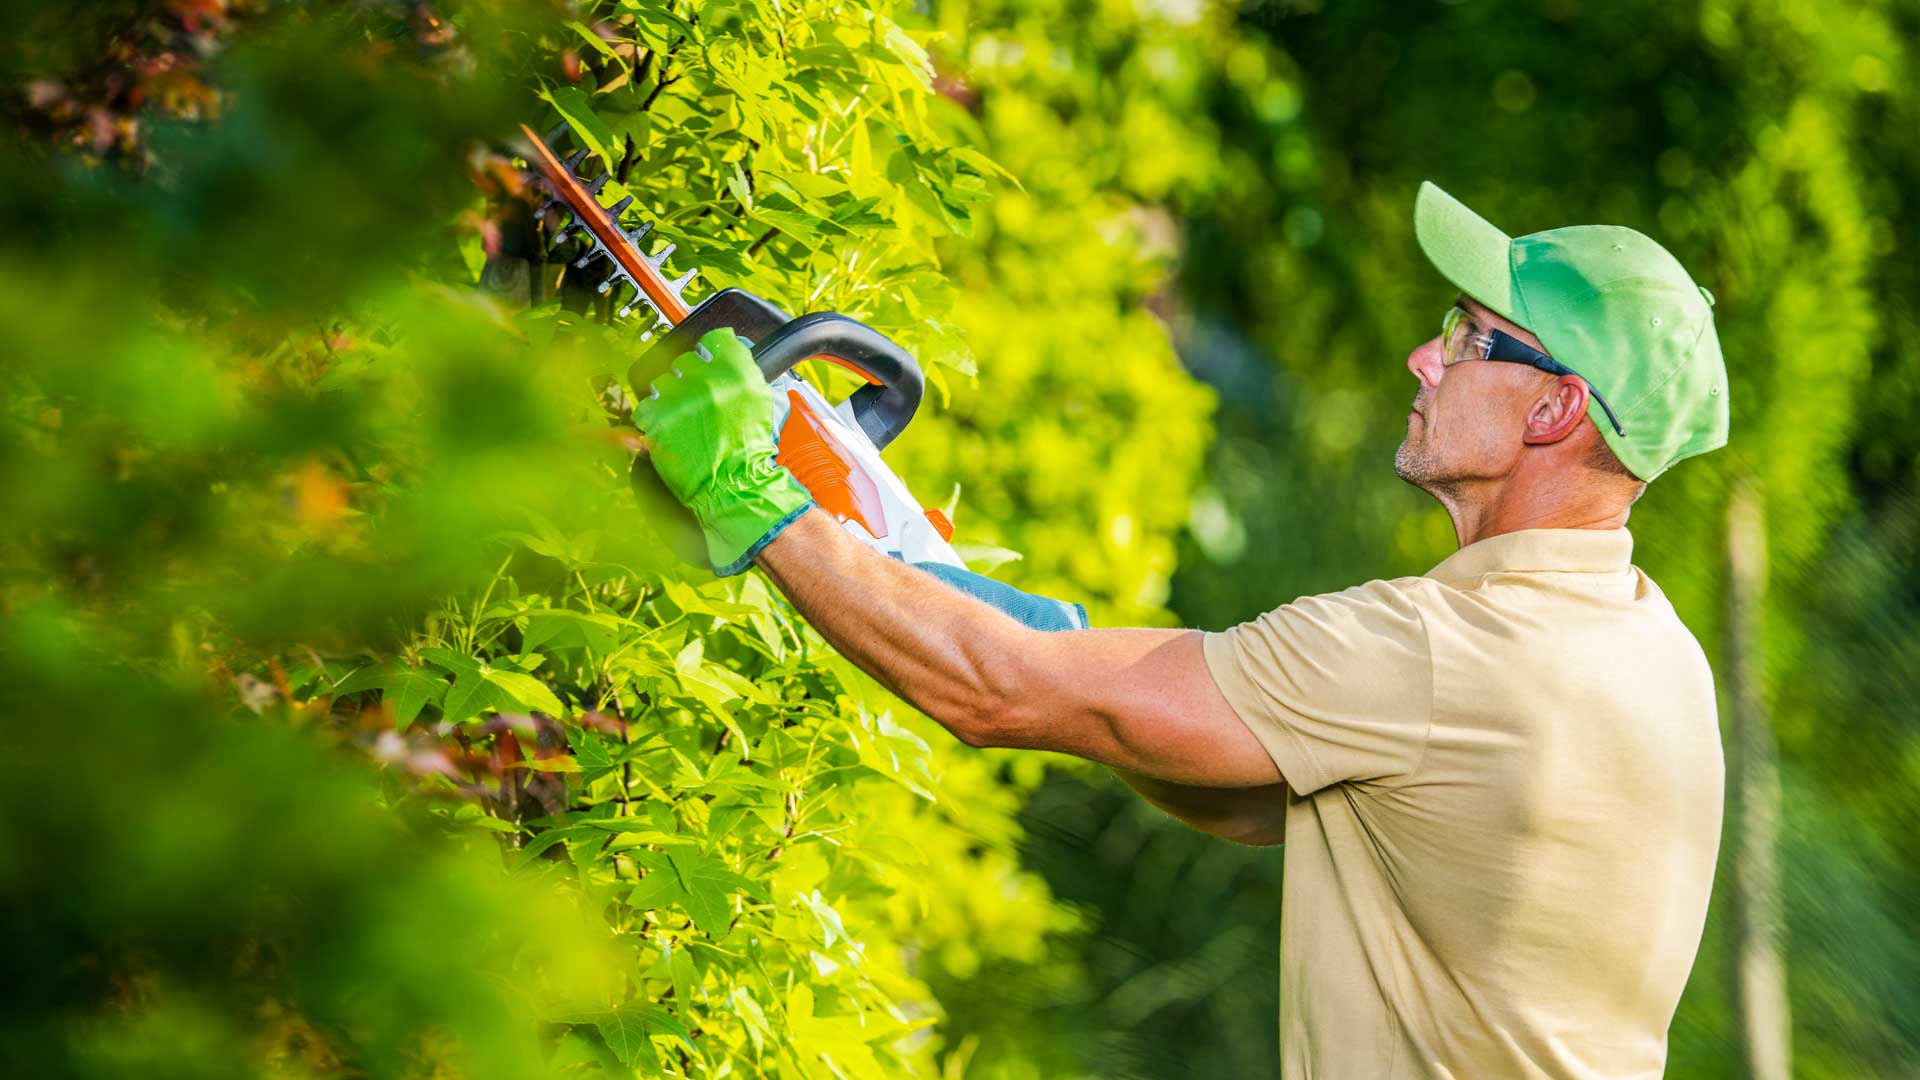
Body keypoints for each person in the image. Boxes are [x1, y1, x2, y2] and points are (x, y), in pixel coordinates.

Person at [629, 181, 1730, 1079]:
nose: (1424, 358)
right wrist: (984, 608)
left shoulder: (1441, 653)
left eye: (1471, 336)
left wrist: (749, 494)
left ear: (1553, 410)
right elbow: (1243, 788)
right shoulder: (1652, 656)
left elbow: (1000, 695)